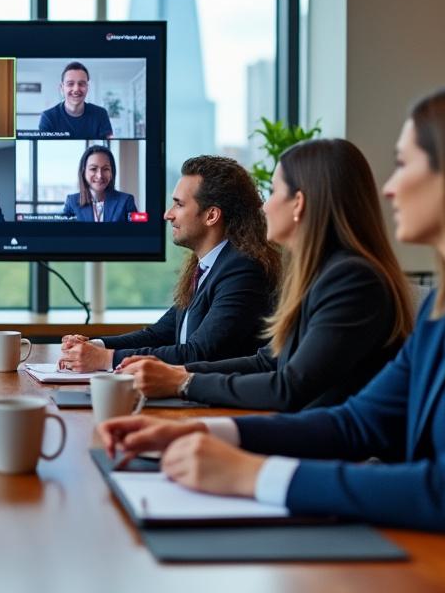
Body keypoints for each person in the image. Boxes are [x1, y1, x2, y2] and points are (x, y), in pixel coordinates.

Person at [99, 80, 445, 593]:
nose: (390, 187)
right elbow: (359, 422)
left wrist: (252, 475)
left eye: (405, 163)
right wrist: (213, 436)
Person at [118, 139, 414, 410]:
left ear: (298, 203)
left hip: (325, 451)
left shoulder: (352, 280)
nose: (264, 206)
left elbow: (289, 387)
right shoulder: (319, 274)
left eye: (273, 192)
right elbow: (268, 361)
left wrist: (182, 382)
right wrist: (178, 373)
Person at [59, 155, 279, 372]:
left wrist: (107, 359)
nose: (167, 214)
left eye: (179, 205)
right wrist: (96, 346)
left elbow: (199, 353)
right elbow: (159, 334)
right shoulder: (206, 267)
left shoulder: (242, 270)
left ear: (211, 215)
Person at [37, 62, 114, 139]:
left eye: (81, 84)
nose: (76, 89)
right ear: (62, 88)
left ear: (87, 88)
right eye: (70, 84)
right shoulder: (48, 117)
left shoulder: (100, 114)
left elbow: (108, 144)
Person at [61, 145, 137, 222]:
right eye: (93, 169)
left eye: (105, 169)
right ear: (83, 172)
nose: (100, 175)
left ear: (111, 172)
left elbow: (137, 232)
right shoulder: (72, 202)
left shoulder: (126, 201)